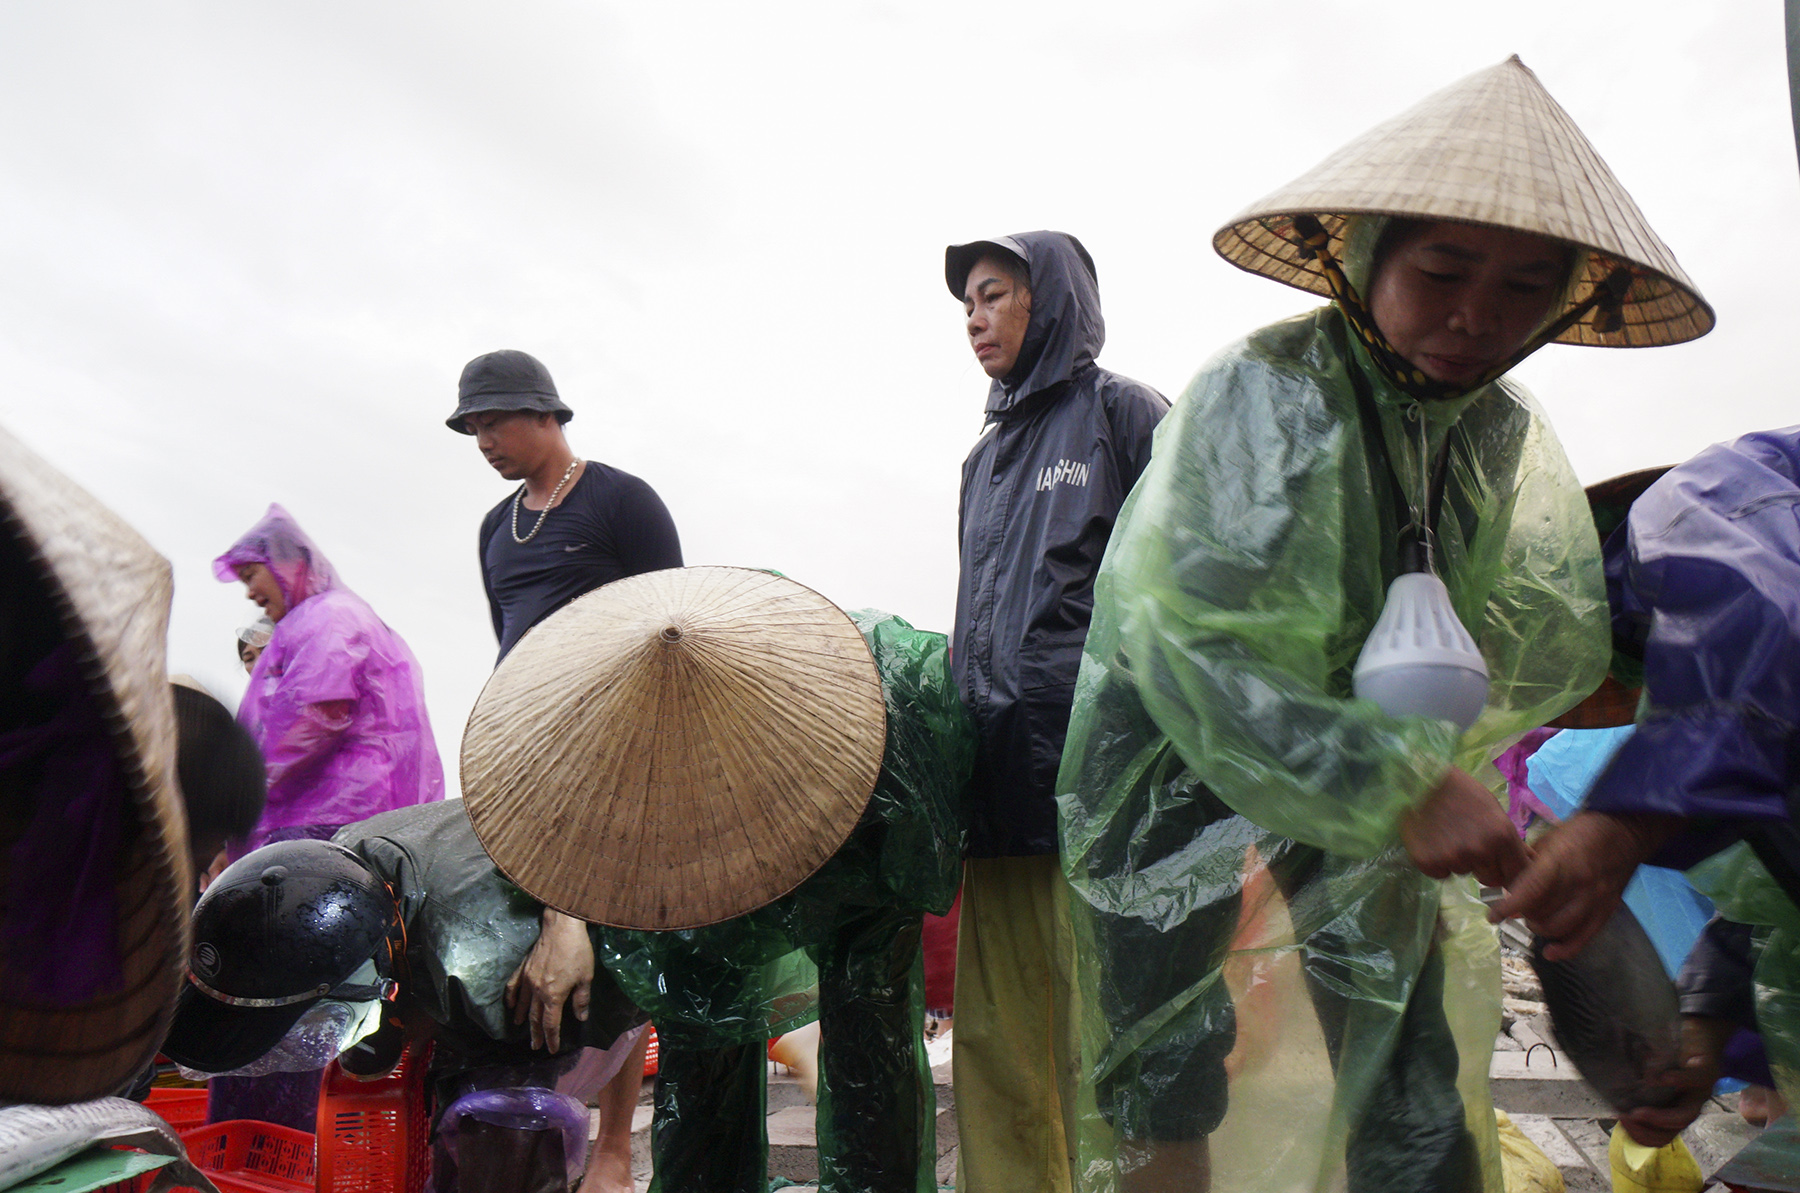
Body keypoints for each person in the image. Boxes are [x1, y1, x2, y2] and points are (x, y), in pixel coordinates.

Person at [1057, 56, 1711, 1193]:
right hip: (1176, 748)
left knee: (1404, 1051)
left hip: (1374, 750)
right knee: (1162, 1048)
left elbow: (1522, 619)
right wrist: (1391, 779)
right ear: (1365, 255)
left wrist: (1427, 770)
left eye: (1523, 289)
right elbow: (1190, 638)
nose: (1475, 317)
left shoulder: (1497, 430)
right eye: (1444, 270)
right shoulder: (1269, 390)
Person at [458, 567, 972, 1193]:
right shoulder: (600, 759)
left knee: (870, 1034)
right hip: (686, 836)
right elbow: (556, 842)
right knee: (702, 1039)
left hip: (869, 805)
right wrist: (562, 921)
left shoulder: (887, 709)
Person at [1495, 426, 1800, 1147]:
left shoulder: (1701, 497)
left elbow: (1763, 639)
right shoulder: (1720, 723)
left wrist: (1624, 825)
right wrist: (1701, 1028)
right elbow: (1772, 908)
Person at [942, 230, 1166, 1193]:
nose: (975, 319)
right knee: (999, 1045)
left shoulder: (1124, 413)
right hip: (999, 796)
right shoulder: (982, 461)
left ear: (1054, 300)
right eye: (966, 307)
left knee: (1108, 1038)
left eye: (993, 295)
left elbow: (1187, 585)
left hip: (1103, 793)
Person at [447, 347, 681, 1192]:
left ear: (546, 413)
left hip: (617, 744)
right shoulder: (494, 527)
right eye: (472, 426)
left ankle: (615, 1147)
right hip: (524, 748)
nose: (483, 439)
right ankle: (546, 1125)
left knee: (619, 936)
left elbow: (672, 627)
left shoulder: (621, 499)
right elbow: (506, 639)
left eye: (495, 420)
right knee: (524, 930)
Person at [159, 800, 649, 1193]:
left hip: (573, 944)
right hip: (471, 912)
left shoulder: (485, 964)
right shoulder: (342, 864)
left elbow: (623, 1003)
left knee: (503, 1130)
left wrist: (611, 1150)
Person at [215, 503, 445, 852]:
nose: (248, 592)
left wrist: (245, 791)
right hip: (337, 812)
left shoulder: (328, 617)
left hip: (328, 815)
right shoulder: (321, 617)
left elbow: (314, 713)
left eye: (250, 575)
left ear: (288, 564)